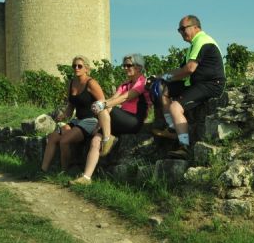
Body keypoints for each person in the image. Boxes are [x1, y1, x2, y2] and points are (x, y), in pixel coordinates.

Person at [70, 54, 151, 185]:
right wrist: (102, 105)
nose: (125, 68)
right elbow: (113, 99)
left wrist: (103, 105)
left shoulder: (143, 82)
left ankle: (107, 139)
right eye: (124, 65)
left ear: (138, 67)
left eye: (129, 65)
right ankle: (86, 177)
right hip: (121, 120)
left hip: (134, 121)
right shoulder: (124, 84)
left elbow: (125, 97)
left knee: (102, 106)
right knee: (96, 139)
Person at [154, 15, 225, 159]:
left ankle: (184, 147)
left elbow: (189, 69)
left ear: (196, 27)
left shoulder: (202, 41)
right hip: (198, 83)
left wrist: (165, 76)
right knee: (163, 89)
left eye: (183, 29)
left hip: (211, 84)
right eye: (179, 30)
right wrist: (160, 78)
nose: (181, 32)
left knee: (175, 107)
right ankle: (173, 128)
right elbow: (182, 70)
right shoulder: (193, 45)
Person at [39, 56, 105, 174]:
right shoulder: (71, 83)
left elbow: (103, 102)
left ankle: (64, 171)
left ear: (87, 69)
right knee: (53, 137)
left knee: (64, 141)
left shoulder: (91, 83)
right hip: (77, 120)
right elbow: (71, 106)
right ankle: (42, 170)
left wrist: (100, 124)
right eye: (74, 66)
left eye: (80, 66)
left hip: (90, 121)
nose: (76, 68)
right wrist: (64, 115)